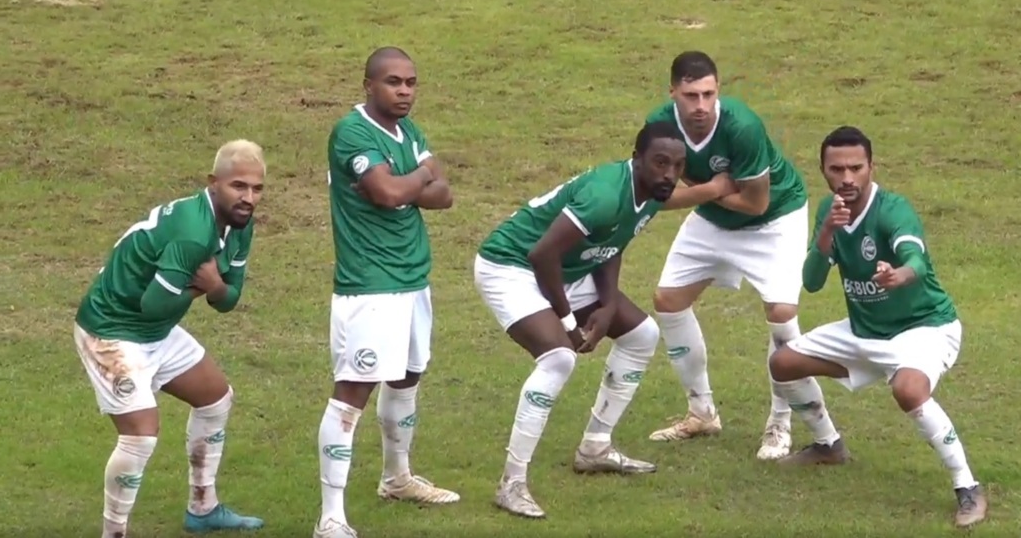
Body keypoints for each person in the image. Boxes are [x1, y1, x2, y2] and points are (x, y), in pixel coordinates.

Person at [473, 120, 737, 518]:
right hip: (511, 266)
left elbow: (611, 244)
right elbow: (542, 254)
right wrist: (568, 323)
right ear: (637, 159)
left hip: (567, 269)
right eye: (660, 162)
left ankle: (595, 447)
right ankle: (511, 483)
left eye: (678, 165)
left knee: (642, 335)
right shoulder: (604, 195)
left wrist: (609, 305)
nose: (670, 174)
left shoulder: (652, 192)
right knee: (559, 359)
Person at [768, 125, 987, 528]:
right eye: (837, 169)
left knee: (908, 390)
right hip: (865, 330)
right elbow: (812, 282)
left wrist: (900, 274)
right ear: (823, 170)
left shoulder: (892, 210)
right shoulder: (829, 211)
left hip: (924, 327)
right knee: (783, 363)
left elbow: (916, 261)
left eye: (856, 168)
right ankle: (828, 445)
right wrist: (828, 231)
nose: (847, 178)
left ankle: (967, 485)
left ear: (871, 167)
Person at [73, 140, 267, 538]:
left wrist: (214, 286)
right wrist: (207, 287)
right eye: (238, 186)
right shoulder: (193, 233)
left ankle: (203, 509)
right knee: (140, 435)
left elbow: (229, 299)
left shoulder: (240, 224)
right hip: (111, 331)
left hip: (155, 331)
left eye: (257, 188)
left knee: (215, 398)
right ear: (213, 182)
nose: (248, 198)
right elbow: (154, 304)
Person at [315, 47, 457, 538]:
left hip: (413, 278)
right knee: (352, 393)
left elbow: (444, 194)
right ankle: (330, 517)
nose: (404, 91)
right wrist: (416, 179)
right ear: (369, 85)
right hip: (369, 285)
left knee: (408, 375)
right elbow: (390, 193)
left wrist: (404, 183)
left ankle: (397, 478)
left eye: (411, 83)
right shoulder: (352, 132)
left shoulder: (408, 131)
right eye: (393, 82)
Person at [644, 50, 811, 460]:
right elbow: (655, 197)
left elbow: (755, 203)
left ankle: (780, 422)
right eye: (691, 96)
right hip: (714, 217)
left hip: (775, 219)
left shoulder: (742, 126)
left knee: (782, 314)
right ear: (672, 93)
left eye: (708, 94)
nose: (701, 105)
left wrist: (702, 192)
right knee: (668, 300)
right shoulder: (659, 127)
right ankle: (701, 413)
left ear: (719, 89)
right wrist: (715, 189)